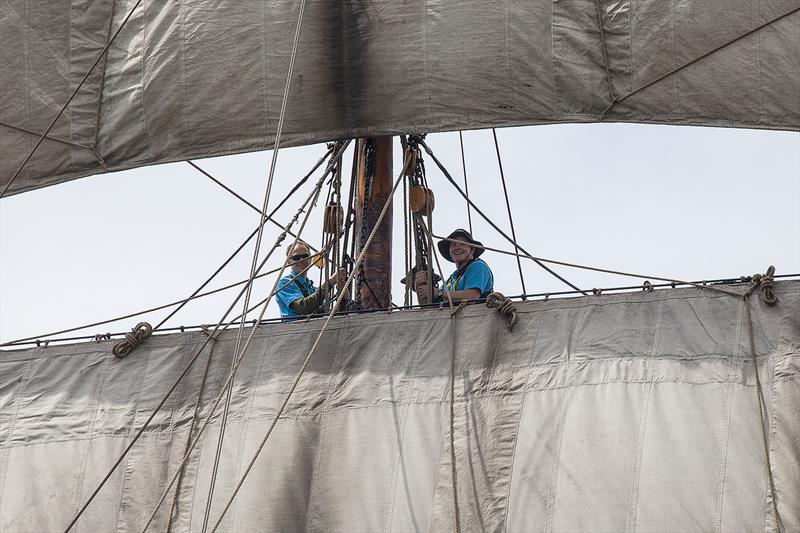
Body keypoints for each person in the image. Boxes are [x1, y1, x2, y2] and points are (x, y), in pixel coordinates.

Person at [414, 228, 493, 305]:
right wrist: (419, 285)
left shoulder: (478, 266)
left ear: (472, 250)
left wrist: (438, 292)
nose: (457, 247)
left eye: (462, 244)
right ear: (449, 252)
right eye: (453, 245)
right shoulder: (450, 280)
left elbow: (472, 297)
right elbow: (427, 306)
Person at [276, 241, 347, 319]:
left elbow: (329, 314)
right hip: (295, 329)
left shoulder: (313, 289)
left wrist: (343, 296)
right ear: (288, 262)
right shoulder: (285, 283)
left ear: (311, 259)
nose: (301, 260)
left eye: (305, 256)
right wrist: (330, 282)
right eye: (296, 258)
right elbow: (304, 307)